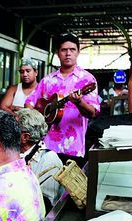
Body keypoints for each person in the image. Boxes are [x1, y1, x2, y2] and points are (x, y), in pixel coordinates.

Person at [25, 33, 99, 162]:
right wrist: (34, 122)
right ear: (58, 53)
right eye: (64, 50)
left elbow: (93, 112)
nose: (68, 53)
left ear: (78, 52)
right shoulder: (47, 80)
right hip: (45, 145)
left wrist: (79, 102)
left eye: (72, 50)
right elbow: (29, 102)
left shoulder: (87, 79)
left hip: (73, 146)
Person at [16, 108, 63, 210]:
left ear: (25, 137)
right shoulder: (15, 153)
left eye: (14, 129)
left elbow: (47, 203)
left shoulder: (49, 159)